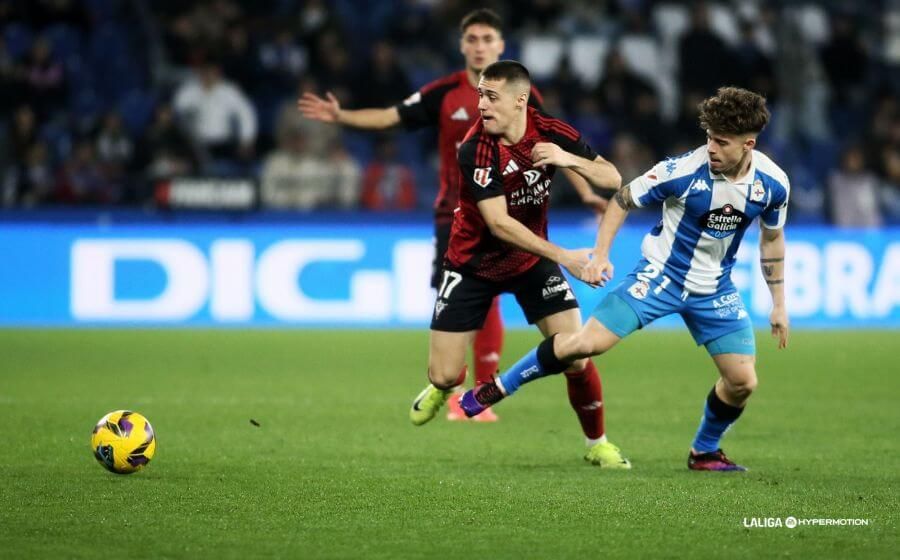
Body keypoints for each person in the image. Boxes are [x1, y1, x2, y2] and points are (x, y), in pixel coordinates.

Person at [298, 9, 607, 422]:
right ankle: (450, 384)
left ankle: (488, 396)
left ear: (500, 46)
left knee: (560, 339)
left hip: (523, 229)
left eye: (487, 40)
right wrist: (341, 117)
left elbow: (551, 154)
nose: (479, 47)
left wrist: (585, 188)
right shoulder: (445, 96)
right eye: (472, 39)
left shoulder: (525, 101)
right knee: (460, 336)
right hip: (458, 217)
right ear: (462, 45)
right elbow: (391, 117)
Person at [461, 86, 790, 472]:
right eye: (708, 138)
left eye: (721, 142)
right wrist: (600, 254)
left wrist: (779, 304)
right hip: (659, 278)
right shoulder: (680, 171)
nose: (711, 149)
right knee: (587, 344)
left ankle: (704, 452)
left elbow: (772, 238)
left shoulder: (773, 184)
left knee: (742, 382)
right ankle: (498, 387)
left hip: (714, 288)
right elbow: (622, 198)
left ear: (748, 144)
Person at [408, 60, 630, 468]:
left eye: (491, 97)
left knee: (577, 355)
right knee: (443, 373)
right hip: (472, 263)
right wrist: (565, 257)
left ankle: (597, 443)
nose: (482, 106)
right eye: (479, 96)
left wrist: (569, 160)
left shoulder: (551, 131)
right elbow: (498, 224)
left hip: (530, 261)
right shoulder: (475, 148)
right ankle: (443, 387)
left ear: (519, 101)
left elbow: (613, 178)